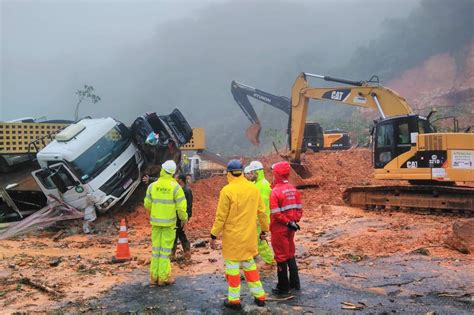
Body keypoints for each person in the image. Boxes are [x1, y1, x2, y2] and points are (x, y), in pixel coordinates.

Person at [210, 159, 269, 310]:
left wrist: (213, 235)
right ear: (242, 172)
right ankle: (260, 296)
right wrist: (264, 230)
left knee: (232, 269)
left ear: (229, 173)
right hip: (249, 238)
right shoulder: (254, 189)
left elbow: (221, 217)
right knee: (250, 266)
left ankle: (234, 300)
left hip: (232, 240)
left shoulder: (227, 190)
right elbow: (262, 212)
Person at [144, 160, 188, 287]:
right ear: (173, 173)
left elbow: (147, 204)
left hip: (156, 223)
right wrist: (184, 219)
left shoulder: (152, 186)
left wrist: (157, 211)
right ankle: (163, 277)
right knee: (165, 252)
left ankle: (154, 277)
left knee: (156, 250)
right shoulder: (176, 188)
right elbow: (181, 207)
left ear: (162, 170)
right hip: (169, 224)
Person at [269, 161, 303, 294]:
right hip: (291, 228)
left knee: (280, 256)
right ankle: (295, 284)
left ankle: (283, 286)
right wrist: (293, 221)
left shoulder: (275, 192)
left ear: (276, 174)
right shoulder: (293, 190)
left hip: (279, 229)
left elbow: (276, 213)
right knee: (290, 253)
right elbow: (299, 209)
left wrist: (287, 222)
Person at [246, 161, 276, 268]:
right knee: (255, 239)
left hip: (261, 218)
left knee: (260, 241)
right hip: (259, 218)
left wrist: (257, 218)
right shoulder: (258, 184)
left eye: (252, 172)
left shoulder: (262, 185)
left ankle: (270, 261)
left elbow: (261, 205)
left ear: (257, 172)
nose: (250, 174)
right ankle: (254, 255)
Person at [171, 174, 193, 260]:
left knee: (176, 233)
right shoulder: (183, 189)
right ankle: (187, 252)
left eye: (176, 178)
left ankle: (173, 254)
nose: (174, 179)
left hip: (181, 216)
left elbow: (188, 205)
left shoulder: (186, 191)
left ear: (180, 180)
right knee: (180, 233)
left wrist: (186, 218)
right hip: (180, 216)